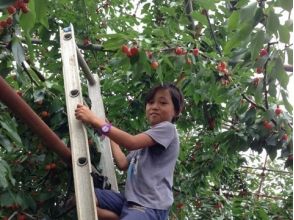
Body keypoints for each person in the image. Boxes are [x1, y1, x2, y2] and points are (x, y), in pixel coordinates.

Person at [75, 83, 184, 220]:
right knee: (85, 196)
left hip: (149, 206)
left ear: (176, 111)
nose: (155, 106)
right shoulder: (145, 143)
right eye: (150, 102)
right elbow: (122, 163)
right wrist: (108, 131)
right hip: (129, 202)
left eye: (163, 103)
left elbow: (130, 142)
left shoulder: (168, 129)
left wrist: (95, 120)